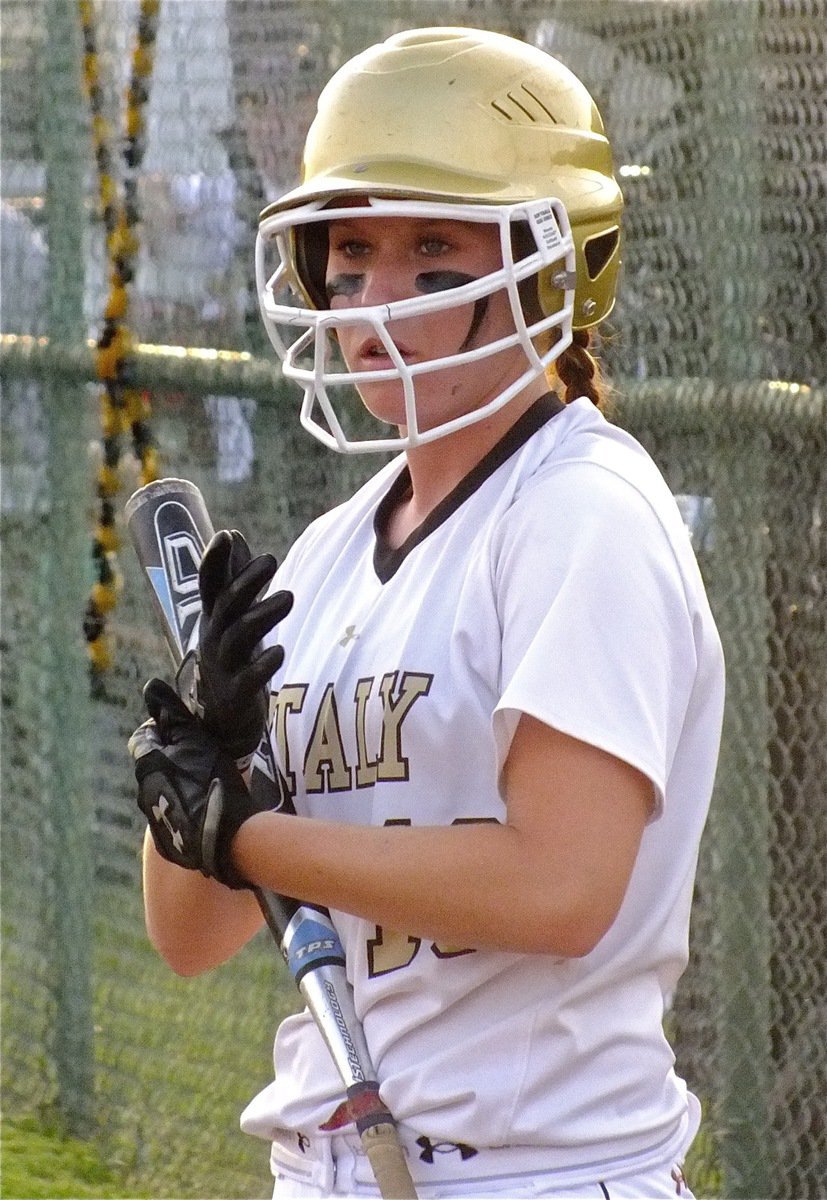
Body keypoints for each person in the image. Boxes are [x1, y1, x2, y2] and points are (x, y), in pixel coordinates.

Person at [130, 27, 725, 1200]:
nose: (375, 300)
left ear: (552, 265)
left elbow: (557, 889)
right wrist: (200, 773)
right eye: (351, 253)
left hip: (539, 1173)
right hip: (331, 1165)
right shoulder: (330, 552)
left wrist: (242, 836)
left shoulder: (578, 512)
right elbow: (191, 937)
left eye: (432, 250)